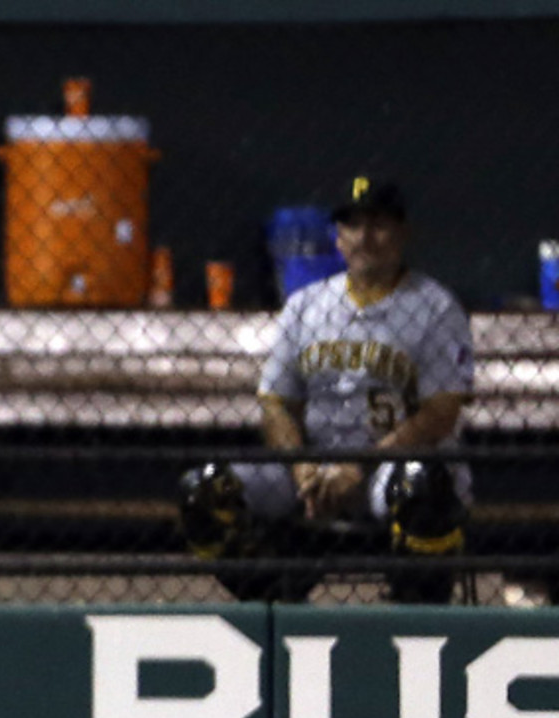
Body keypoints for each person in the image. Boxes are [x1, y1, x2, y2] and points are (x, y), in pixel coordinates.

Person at [179, 176, 474, 604]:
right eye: (351, 225)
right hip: (311, 472)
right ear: (337, 237)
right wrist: (303, 470)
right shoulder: (306, 306)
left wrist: (357, 468)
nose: (363, 237)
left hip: (391, 468)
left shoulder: (436, 307)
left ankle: (418, 615)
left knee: (420, 485)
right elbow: (276, 402)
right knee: (203, 489)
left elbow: (440, 413)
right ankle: (274, 601)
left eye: (378, 224)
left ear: (403, 232)